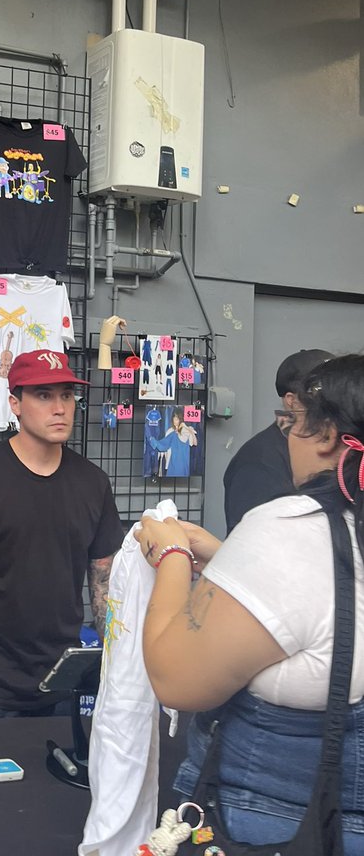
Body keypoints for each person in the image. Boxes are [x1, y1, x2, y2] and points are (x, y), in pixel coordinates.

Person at [136, 353, 364, 851]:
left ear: (327, 436)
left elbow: (175, 678)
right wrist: (227, 562)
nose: (287, 437)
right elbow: (326, 599)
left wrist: (171, 554)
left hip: (285, 821)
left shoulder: (291, 528)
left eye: (296, 424)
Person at [0, 349, 123, 724]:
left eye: (66, 395)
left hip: (65, 683)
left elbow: (105, 583)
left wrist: (117, 660)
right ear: (15, 403)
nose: (60, 408)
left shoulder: (94, 483)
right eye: (44, 396)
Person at [222, 346, 332, 531]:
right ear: (291, 400)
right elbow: (254, 543)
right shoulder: (257, 461)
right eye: (321, 391)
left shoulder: (340, 445)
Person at [148, 407, 197, 478]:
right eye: (174, 418)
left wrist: (151, 439)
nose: (174, 420)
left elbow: (162, 446)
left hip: (178, 464)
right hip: (179, 464)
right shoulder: (173, 432)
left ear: (181, 419)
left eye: (176, 419)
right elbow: (162, 445)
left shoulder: (178, 432)